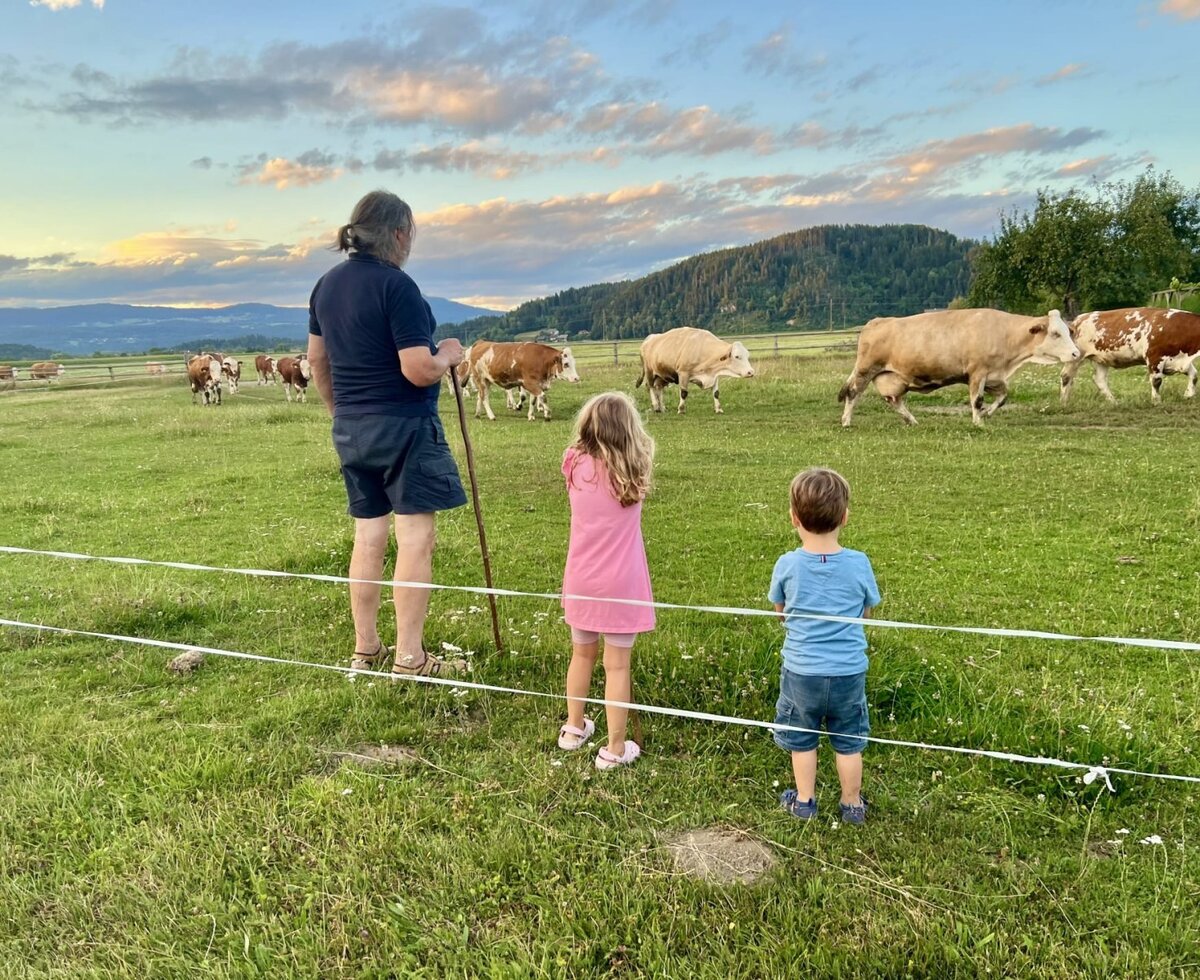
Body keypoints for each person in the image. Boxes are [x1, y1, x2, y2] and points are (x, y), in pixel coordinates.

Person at [307, 189, 467, 678]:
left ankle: (365, 649)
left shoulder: (326, 286)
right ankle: (411, 658)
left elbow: (317, 360)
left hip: (351, 427)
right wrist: (449, 355)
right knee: (415, 538)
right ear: (398, 233)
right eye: (410, 234)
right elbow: (418, 368)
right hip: (405, 425)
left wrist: (341, 411)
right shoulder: (398, 287)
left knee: (369, 536)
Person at [769, 467, 880, 823]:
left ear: (793, 517)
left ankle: (804, 801)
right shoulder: (859, 563)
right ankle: (852, 804)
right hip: (849, 670)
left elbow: (780, 613)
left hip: (802, 671)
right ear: (845, 517)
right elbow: (866, 610)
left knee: (802, 737)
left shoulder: (787, 564)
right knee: (849, 740)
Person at [558, 392, 656, 770]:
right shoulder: (634, 470)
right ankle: (615, 748)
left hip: (581, 579)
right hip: (622, 584)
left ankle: (573, 727)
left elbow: (574, 452)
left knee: (581, 655)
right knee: (617, 667)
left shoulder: (573, 464)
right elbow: (639, 454)